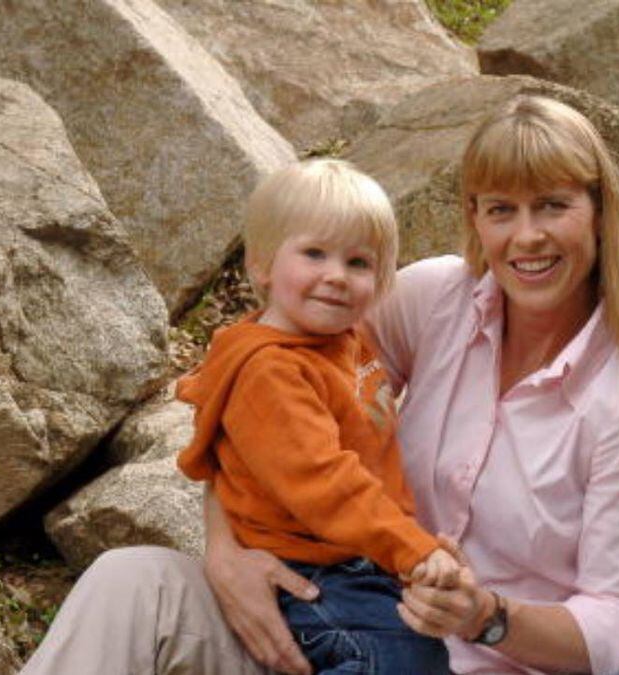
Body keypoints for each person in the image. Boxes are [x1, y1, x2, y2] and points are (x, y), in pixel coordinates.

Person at [21, 95, 619, 675]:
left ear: (598, 212)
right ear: (475, 217)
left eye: (553, 206)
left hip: (476, 662)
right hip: (325, 613)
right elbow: (270, 400)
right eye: (502, 209)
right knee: (131, 585)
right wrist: (228, 552)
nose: (527, 237)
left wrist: (487, 616)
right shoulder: (435, 298)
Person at [173, 158, 459, 674]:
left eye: (358, 262)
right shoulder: (271, 372)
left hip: (356, 561)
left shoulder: (339, 341)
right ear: (263, 265)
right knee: (396, 658)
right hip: (306, 572)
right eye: (314, 253)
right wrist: (413, 550)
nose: (336, 276)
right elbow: (326, 483)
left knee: (418, 653)